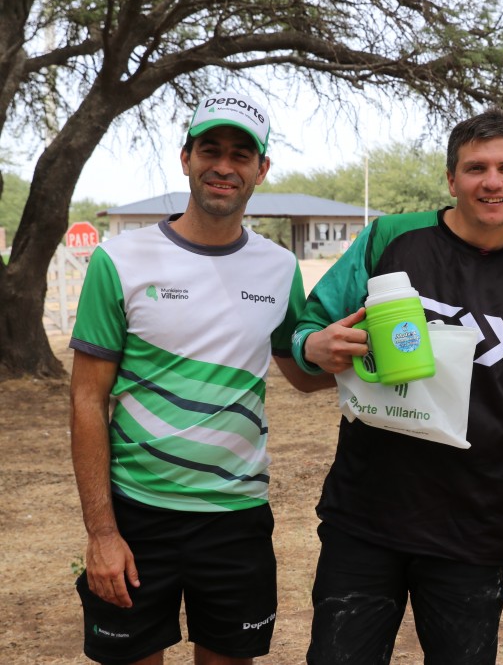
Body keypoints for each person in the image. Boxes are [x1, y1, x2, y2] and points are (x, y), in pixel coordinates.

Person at [292, 108, 503, 665]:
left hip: (474, 527)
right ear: (451, 179)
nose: (492, 182)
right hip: (365, 515)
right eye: (476, 168)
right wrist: (314, 347)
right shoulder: (388, 238)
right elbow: (311, 329)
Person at [69, 90, 334, 665]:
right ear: (186, 158)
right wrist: (102, 533)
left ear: (261, 169)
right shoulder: (120, 260)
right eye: (210, 149)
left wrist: (367, 363)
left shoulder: (279, 267)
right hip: (137, 515)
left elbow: (301, 372)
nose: (224, 166)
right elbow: (87, 400)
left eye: (241, 154)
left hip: (236, 518)